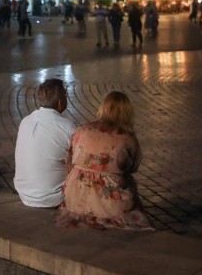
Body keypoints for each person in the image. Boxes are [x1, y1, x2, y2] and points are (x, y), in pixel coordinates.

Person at [57, 91, 152, 230]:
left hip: (75, 191)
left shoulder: (82, 129)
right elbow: (133, 167)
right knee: (128, 181)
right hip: (107, 196)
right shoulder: (127, 138)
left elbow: (69, 161)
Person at [13, 79, 75, 208]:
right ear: (60, 103)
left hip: (24, 194)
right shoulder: (67, 127)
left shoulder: (25, 121)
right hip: (53, 197)